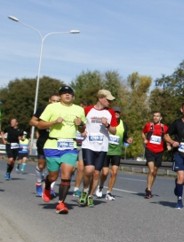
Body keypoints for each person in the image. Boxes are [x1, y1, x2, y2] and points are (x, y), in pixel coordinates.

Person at [36, 85, 85, 214]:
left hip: (70, 146)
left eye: (69, 93)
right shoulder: (52, 107)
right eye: (64, 93)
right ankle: (47, 186)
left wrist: (81, 125)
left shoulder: (79, 109)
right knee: (53, 176)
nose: (67, 95)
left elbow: (82, 129)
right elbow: (40, 124)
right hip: (53, 145)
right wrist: (53, 122)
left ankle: (61, 203)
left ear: (73, 96)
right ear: (60, 96)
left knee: (66, 174)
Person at [79, 90, 118, 208]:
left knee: (96, 174)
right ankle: (85, 190)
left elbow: (114, 131)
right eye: (108, 100)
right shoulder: (87, 110)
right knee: (89, 170)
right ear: (101, 98)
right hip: (88, 145)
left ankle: (90, 196)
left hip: (102, 146)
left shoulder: (110, 112)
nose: (110, 102)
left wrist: (107, 125)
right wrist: (82, 130)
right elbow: (80, 125)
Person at [96, 106, 132, 200]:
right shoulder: (106, 122)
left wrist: (128, 140)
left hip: (116, 151)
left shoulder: (123, 124)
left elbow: (125, 137)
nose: (116, 114)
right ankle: (100, 186)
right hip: (106, 150)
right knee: (104, 172)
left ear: (120, 114)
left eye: (118, 112)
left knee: (114, 172)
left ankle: (109, 192)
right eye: (115, 112)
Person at [30, 93, 61, 197]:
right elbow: (32, 121)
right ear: (49, 100)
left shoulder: (62, 111)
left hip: (56, 142)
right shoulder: (42, 109)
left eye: (57, 101)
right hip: (43, 140)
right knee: (41, 165)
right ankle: (39, 183)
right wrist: (43, 124)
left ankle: (50, 188)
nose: (55, 103)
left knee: (54, 168)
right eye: (53, 100)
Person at [142, 111, 168, 199]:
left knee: (155, 172)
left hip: (160, 151)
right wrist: (145, 139)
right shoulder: (149, 125)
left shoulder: (164, 128)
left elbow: (166, 137)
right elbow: (143, 132)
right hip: (149, 149)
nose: (155, 117)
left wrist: (168, 144)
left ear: (161, 118)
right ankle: (148, 190)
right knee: (151, 170)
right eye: (154, 116)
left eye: (157, 116)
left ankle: (149, 188)